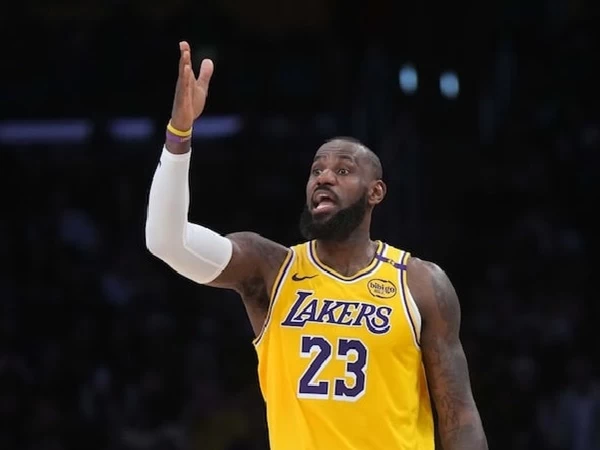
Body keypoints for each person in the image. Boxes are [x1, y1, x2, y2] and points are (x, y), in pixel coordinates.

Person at [145, 41, 488, 450]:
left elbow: (459, 417)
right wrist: (179, 134)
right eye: (316, 170)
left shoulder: (422, 283)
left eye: (343, 170)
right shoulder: (270, 269)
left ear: (376, 192)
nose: (324, 177)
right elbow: (167, 241)